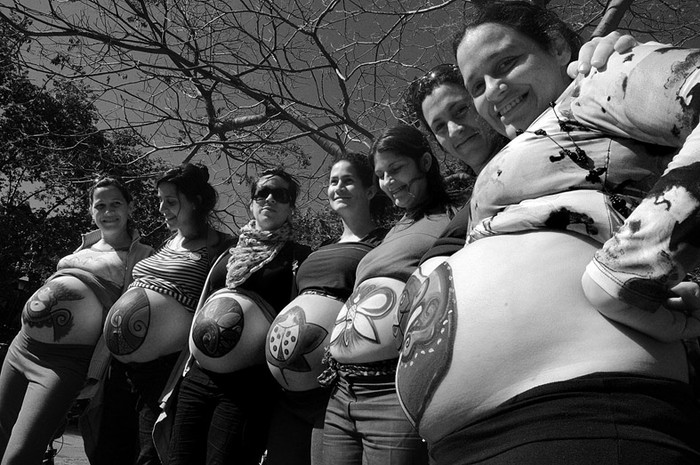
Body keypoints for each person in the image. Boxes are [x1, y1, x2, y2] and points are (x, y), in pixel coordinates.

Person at [393, 2, 700, 464]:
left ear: (557, 46)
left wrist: (635, 268)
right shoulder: (500, 170)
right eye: (476, 85)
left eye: (506, 63)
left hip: (589, 411)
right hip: (461, 442)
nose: (493, 90)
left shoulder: (597, 82)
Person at [318, 124, 459, 465]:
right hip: (343, 389)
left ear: (425, 162)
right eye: (380, 175)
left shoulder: (453, 214)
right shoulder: (396, 228)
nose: (387, 182)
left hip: (392, 388)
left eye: (395, 169)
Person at [161, 168, 311, 465]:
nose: (269, 199)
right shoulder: (228, 250)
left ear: (291, 206)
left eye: (279, 194)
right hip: (199, 377)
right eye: (262, 193)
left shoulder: (299, 257)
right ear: (251, 204)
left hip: (249, 386)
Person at [0, 177, 153, 465]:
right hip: (22, 348)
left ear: (130, 208)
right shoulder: (82, 248)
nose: (108, 212)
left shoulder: (143, 257)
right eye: (100, 205)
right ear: (91, 211)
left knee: (21, 452)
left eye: (116, 204)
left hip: (64, 363)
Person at [104, 163, 233, 465]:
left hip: (164, 373)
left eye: (171, 201)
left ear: (197, 201)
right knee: (109, 451)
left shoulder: (222, 247)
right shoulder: (165, 244)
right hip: (120, 371)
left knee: (150, 454)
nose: (162, 208)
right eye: (160, 200)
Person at [264, 154, 388, 465]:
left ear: (370, 190)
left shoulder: (384, 243)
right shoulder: (319, 248)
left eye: (347, 180)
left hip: (336, 390)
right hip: (288, 393)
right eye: (333, 182)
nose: (338, 188)